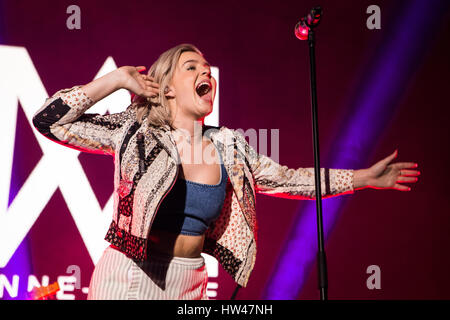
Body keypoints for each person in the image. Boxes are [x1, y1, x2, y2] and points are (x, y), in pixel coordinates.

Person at [32, 43, 420, 300]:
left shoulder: (229, 146)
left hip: (191, 282)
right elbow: (49, 121)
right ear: (166, 88)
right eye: (191, 67)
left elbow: (289, 179)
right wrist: (114, 80)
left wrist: (363, 178)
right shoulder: (135, 130)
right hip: (129, 278)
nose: (207, 73)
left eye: (207, 68)